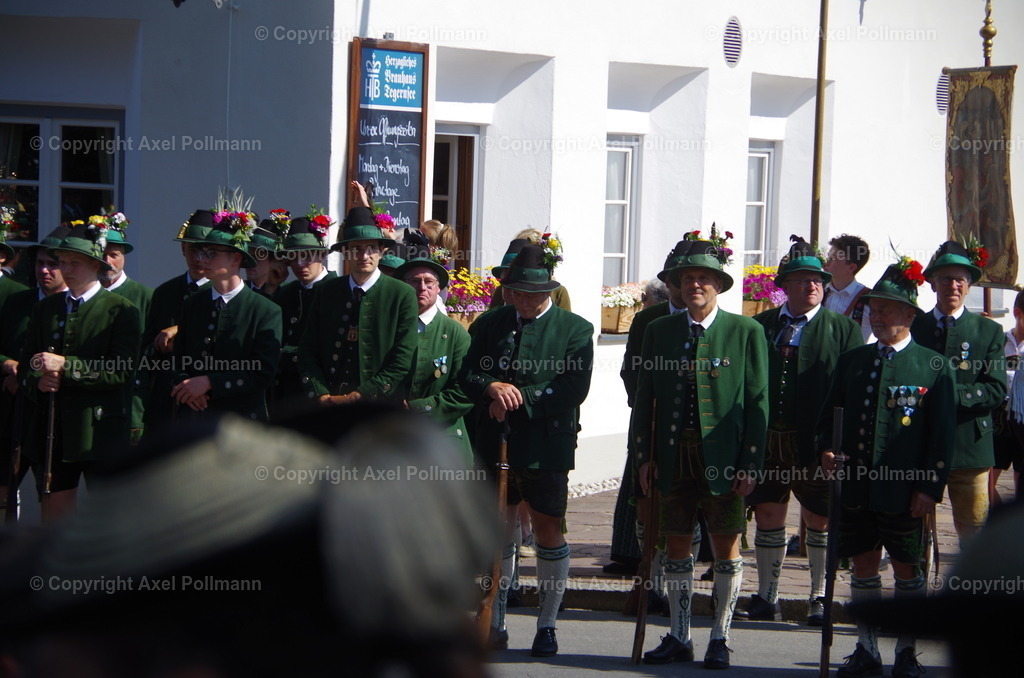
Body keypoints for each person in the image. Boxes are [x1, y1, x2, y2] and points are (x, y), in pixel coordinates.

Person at [633, 239, 768, 670]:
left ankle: (720, 637)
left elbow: (758, 403)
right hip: (672, 455)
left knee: (726, 546)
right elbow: (645, 398)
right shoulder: (659, 331)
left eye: (704, 279)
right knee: (675, 545)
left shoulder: (746, 332)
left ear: (718, 286)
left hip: (723, 457)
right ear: (676, 285)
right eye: (688, 278)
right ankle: (679, 634)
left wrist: (751, 462)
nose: (695, 285)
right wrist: (644, 457)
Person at [819, 257, 954, 678]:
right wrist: (826, 450)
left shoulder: (933, 366)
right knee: (862, 564)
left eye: (886, 309)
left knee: (906, 568)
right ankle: (866, 649)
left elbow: (940, 437)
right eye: (872, 309)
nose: (876, 316)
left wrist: (928, 487)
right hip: (858, 488)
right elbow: (829, 417)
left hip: (904, 490)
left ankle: (906, 653)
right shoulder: (853, 362)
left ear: (909, 314)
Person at [461, 244, 594, 658]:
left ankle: (548, 624)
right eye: (516, 292)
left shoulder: (576, 329)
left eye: (532, 293)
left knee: (548, 530)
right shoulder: (490, 323)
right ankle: (494, 621)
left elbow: (574, 388)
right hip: (494, 442)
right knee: (498, 532)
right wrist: (490, 387)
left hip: (546, 447)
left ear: (549, 291)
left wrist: (519, 396)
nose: (523, 300)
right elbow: (466, 372)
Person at [740, 236, 862, 626]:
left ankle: (819, 597)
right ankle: (766, 596)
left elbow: (850, 391)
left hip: (816, 442)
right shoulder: (760, 326)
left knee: (819, 517)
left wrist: (835, 444)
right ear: (785, 286)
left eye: (817, 280)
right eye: (803, 280)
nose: (812, 286)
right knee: (768, 513)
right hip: (770, 440)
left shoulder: (842, 329)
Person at [17, 222, 141, 520]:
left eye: (74, 262)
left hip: (100, 430)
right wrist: (38, 378)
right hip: (54, 426)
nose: (66, 269)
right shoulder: (46, 308)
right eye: (63, 262)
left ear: (94, 265)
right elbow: (28, 361)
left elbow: (121, 370)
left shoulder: (120, 310)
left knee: (107, 516)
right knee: (55, 515)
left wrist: (67, 366)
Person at [910, 240, 1005, 546]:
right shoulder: (915, 327)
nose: (953, 284)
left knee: (973, 530)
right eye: (946, 278)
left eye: (960, 279)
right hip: (920, 446)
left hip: (970, 447)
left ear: (968, 286)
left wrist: (947, 397)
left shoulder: (988, 331)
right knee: (915, 531)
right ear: (933, 283)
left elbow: (995, 389)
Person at [606, 243, 689, 581]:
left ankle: (685, 569)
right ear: (668, 284)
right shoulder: (647, 319)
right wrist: (644, 403)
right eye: (675, 280)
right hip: (651, 421)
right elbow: (631, 369)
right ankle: (644, 567)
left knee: (689, 502)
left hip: (693, 428)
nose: (682, 287)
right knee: (643, 494)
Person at [297, 203, 418, 405]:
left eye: (371, 248)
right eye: (356, 249)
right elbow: (307, 350)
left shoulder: (402, 294)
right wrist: (320, 393)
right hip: (329, 406)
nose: (364, 256)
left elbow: (403, 359)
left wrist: (359, 396)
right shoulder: (326, 291)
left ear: (381, 251)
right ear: (345, 252)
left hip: (379, 409)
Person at [170, 212, 282, 422]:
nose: (203, 259)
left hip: (240, 423)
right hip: (194, 420)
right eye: (203, 252)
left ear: (235, 259)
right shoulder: (193, 303)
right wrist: (187, 387)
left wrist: (209, 383)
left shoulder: (265, 310)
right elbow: (178, 361)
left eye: (212, 253)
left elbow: (262, 372)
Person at [0, 226, 69, 518]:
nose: (44, 270)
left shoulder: (76, 306)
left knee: (52, 495)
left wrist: (29, 373)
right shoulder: (16, 300)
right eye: (40, 262)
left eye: (53, 264)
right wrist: (6, 363)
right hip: (11, 410)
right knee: (4, 486)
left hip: (55, 413)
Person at [395, 246, 474, 462]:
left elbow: (466, 391)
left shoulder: (456, 333)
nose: (422, 288)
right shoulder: (390, 328)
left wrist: (417, 408)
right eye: (414, 281)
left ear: (438, 288)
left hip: (442, 445)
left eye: (428, 282)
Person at [142, 210, 211, 434]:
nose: (199, 258)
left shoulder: (221, 293)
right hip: (165, 401)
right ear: (183, 249)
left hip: (205, 399)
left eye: (206, 251)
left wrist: (181, 331)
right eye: (193, 250)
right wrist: (158, 346)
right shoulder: (165, 292)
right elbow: (145, 350)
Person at [97, 213, 153, 444]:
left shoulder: (145, 296)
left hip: (130, 402)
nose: (107, 261)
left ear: (124, 258)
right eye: (102, 254)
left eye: (114, 255)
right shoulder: (81, 296)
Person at [273, 212, 338, 411]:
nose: (300, 264)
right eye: (293, 257)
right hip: (284, 394)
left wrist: (286, 353)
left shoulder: (337, 291)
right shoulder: (285, 293)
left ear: (323, 255)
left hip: (322, 393)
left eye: (307, 256)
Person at [991, 290, 1024, 504]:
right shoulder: (998, 341)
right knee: (986, 481)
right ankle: (1000, 520)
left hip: (1023, 420)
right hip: (999, 418)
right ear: (1018, 313)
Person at [488, 234, 571, 312]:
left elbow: (565, 323)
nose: (512, 290)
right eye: (506, 279)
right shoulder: (500, 291)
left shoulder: (558, 292)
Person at [823, 234, 873, 342]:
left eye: (833, 258)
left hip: (853, 358)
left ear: (851, 267)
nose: (826, 263)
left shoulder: (869, 300)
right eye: (828, 257)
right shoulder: (819, 292)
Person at [246, 220, 286, 299]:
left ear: (274, 261)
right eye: (249, 255)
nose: (251, 261)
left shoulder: (286, 293)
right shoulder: (236, 289)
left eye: (259, 257)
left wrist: (271, 288)